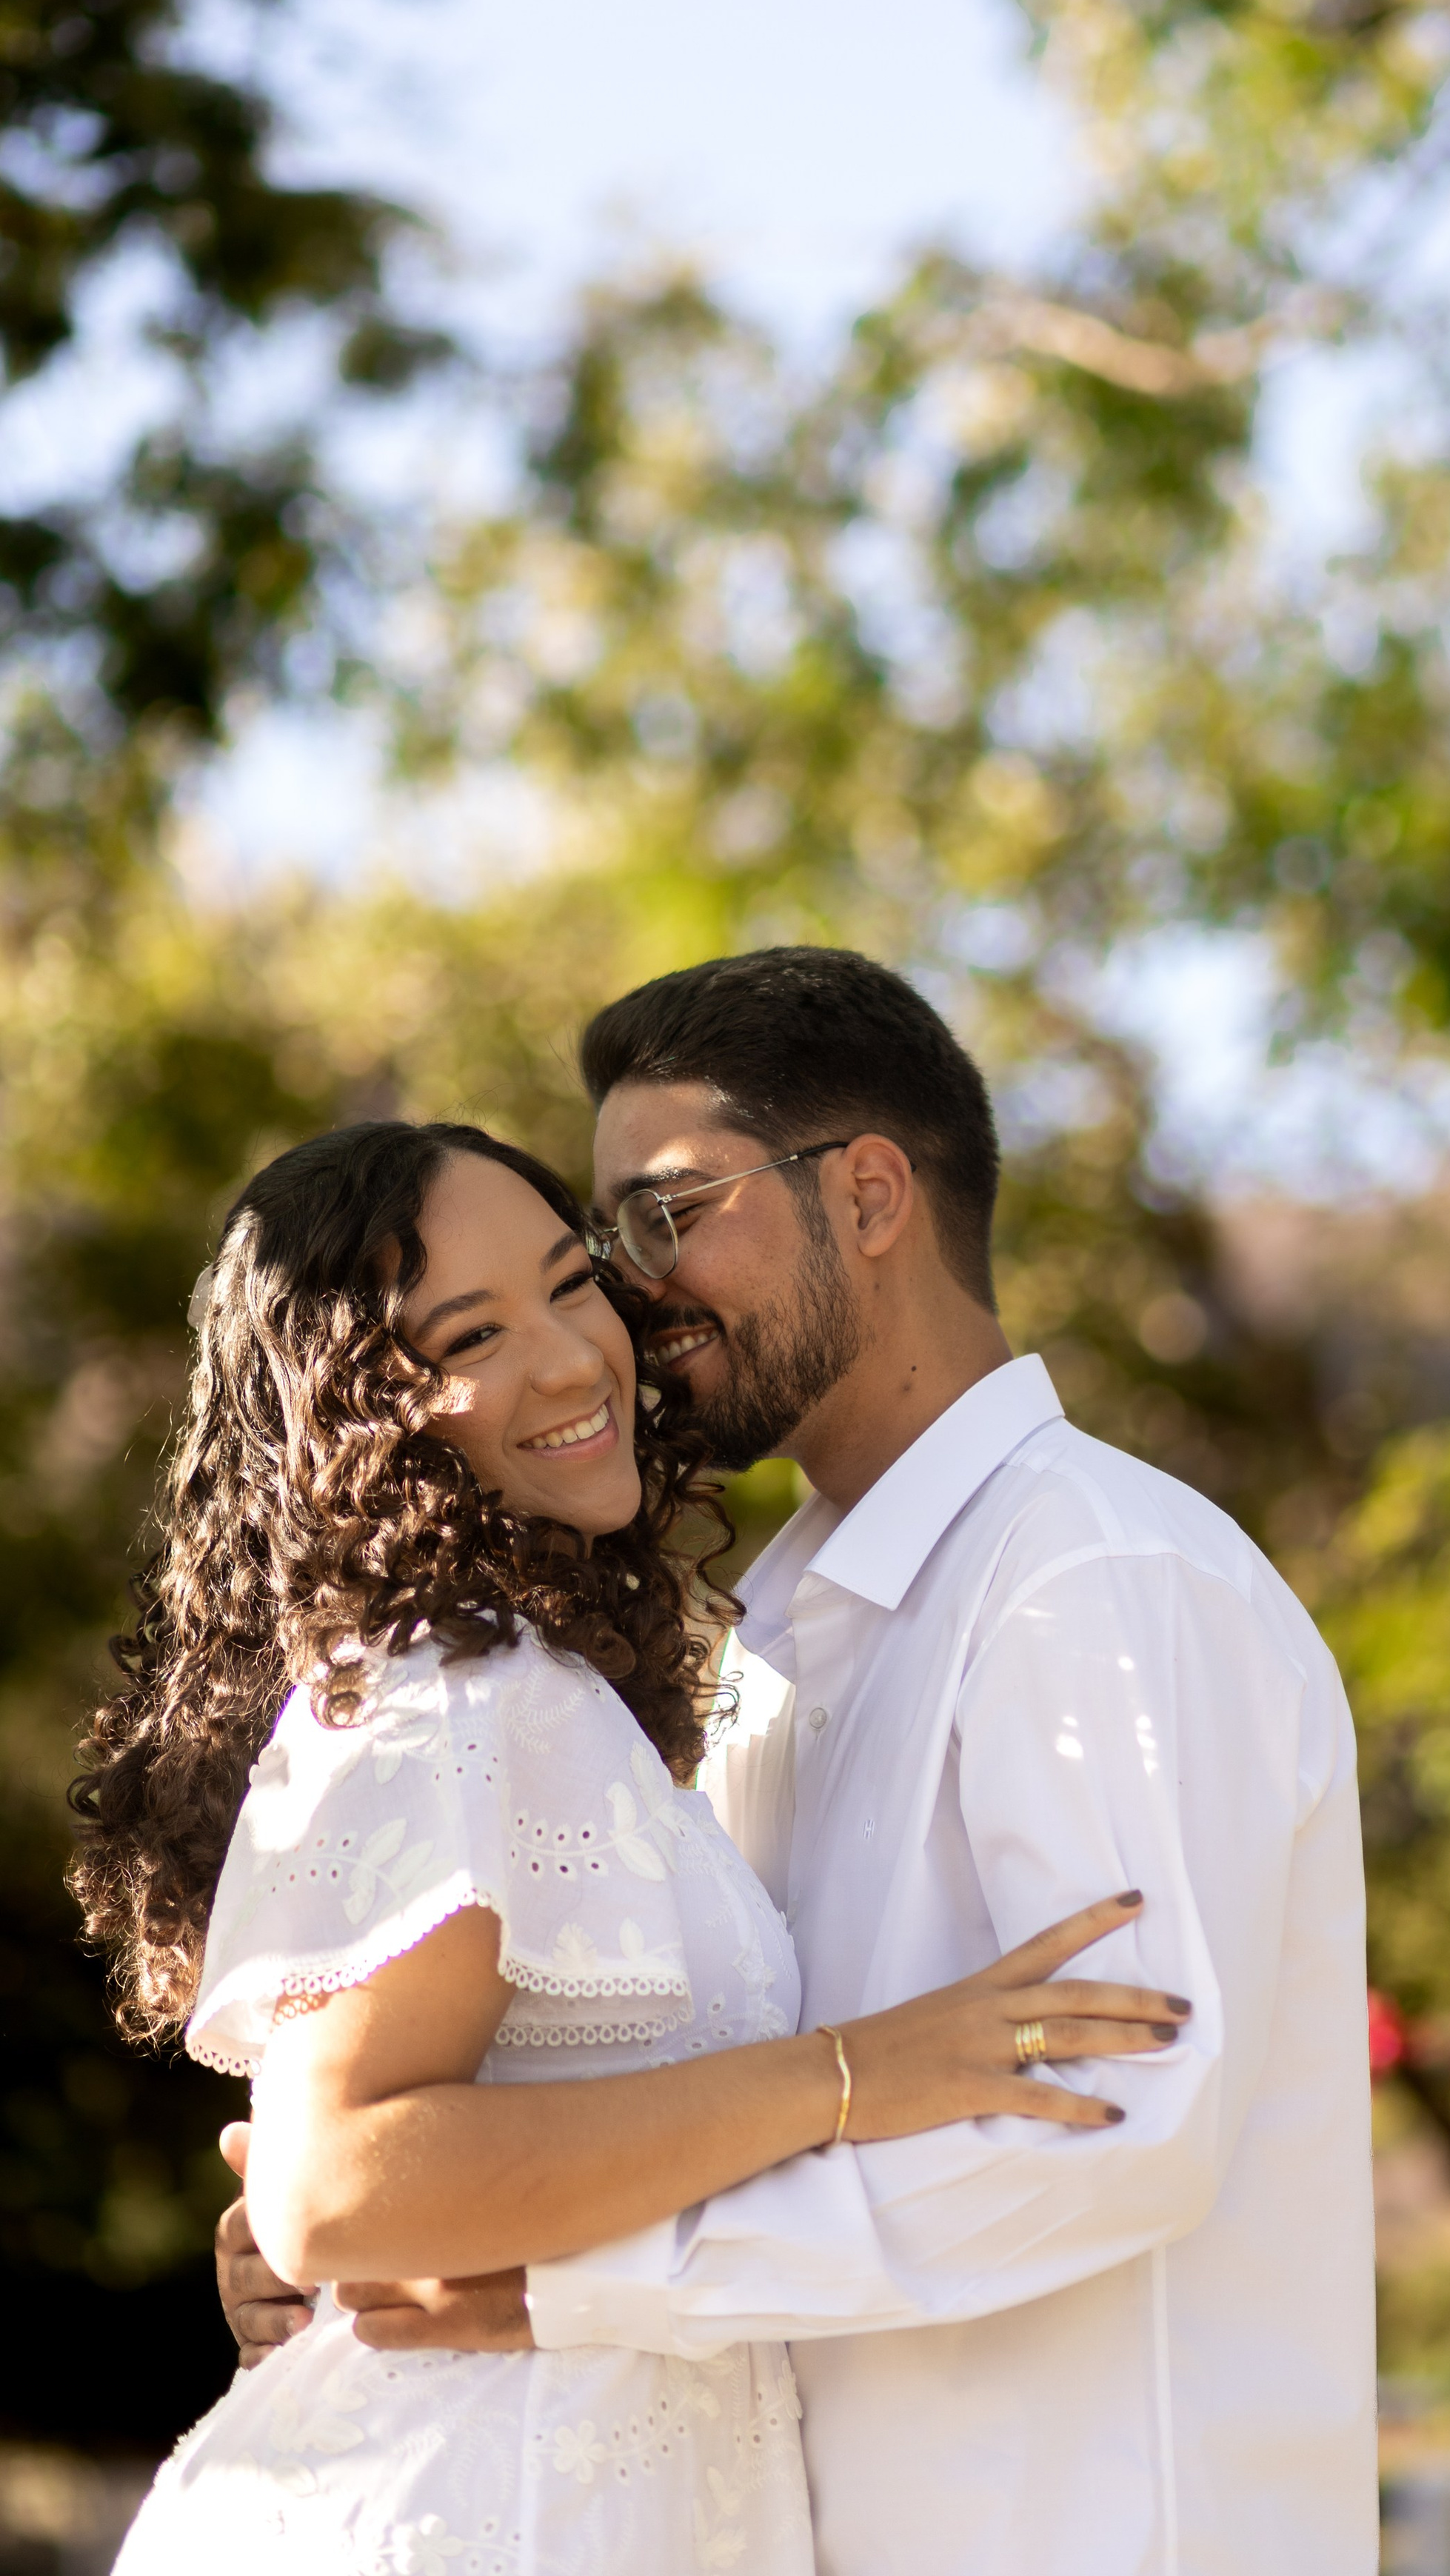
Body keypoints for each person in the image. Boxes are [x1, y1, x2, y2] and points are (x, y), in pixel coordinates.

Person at [223, 950, 1379, 2575]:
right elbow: (689, 2089)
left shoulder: (1094, 1579)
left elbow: (1118, 2119)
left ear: (869, 1192)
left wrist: (562, 2286)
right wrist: (385, 2217)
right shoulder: (767, 1636)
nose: (631, 1290)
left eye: (664, 1216)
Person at [72, 1115, 1184, 2576]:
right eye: (470, 1333)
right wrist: (850, 2078)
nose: (568, 1358)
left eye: (567, 1282)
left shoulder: (548, 1691)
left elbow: (381, 2181)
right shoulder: (455, 1693)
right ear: (363, 1414)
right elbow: (335, 2182)